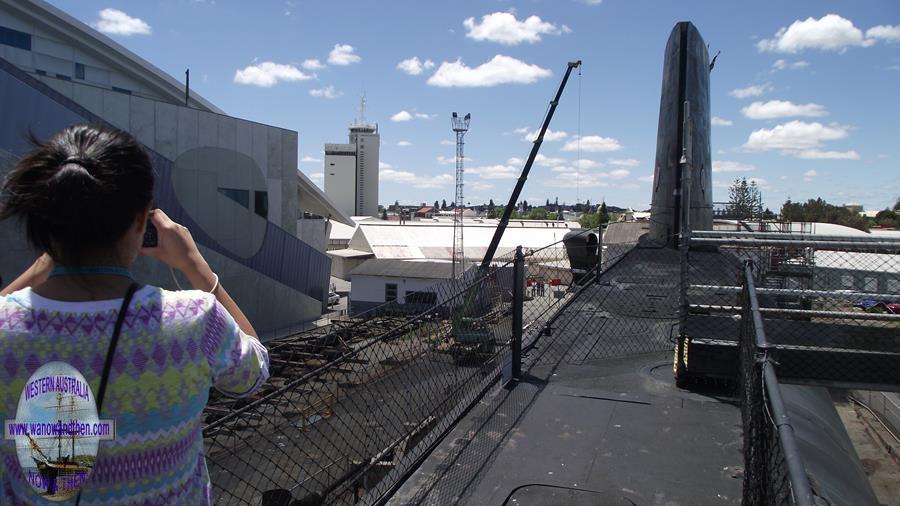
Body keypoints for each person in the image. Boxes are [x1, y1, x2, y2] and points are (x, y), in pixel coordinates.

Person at [0, 124, 269, 504]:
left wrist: (48, 261)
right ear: (142, 219)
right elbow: (254, 373)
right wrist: (196, 267)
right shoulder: (194, 318)